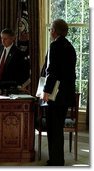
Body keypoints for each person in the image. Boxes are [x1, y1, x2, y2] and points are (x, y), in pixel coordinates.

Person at [40, 19, 76, 166]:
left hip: (55, 94)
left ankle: (55, 161)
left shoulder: (55, 45)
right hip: (66, 94)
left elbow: (51, 72)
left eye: (50, 30)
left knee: (52, 128)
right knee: (58, 128)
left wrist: (46, 91)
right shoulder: (70, 46)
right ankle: (57, 158)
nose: (50, 32)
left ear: (54, 30)